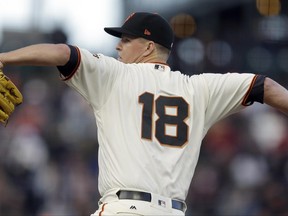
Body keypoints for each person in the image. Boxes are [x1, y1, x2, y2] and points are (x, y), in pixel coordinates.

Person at [0, 11, 288, 216]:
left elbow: (63, 53)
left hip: (123, 208)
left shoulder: (115, 75)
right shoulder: (199, 89)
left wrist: (4, 57)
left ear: (149, 46)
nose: (117, 45)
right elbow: (265, 86)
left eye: (126, 40)